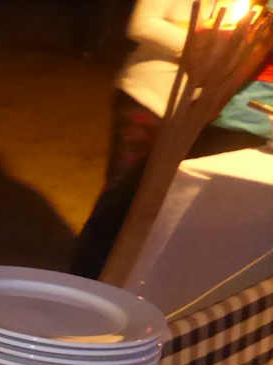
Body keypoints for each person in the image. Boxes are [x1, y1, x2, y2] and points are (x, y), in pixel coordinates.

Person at [71, 0, 273, 279]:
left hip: (207, 118)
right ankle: (88, 279)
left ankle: (109, 281)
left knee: (150, 209)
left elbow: (240, 57)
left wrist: (216, 61)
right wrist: (206, 47)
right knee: (124, 199)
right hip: (153, 101)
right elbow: (142, 24)